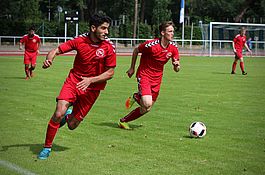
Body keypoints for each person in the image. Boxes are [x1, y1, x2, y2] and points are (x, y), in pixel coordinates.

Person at [38, 13, 116, 160]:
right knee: (58, 113)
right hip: (74, 81)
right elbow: (56, 50)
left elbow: (110, 73)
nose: (107, 32)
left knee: (72, 125)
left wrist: (91, 80)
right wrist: (49, 59)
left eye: (107, 29)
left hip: (92, 89)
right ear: (93, 28)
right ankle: (47, 148)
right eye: (103, 28)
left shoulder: (108, 46)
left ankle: (69, 114)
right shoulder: (79, 41)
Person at [118, 21, 180, 130]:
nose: (172, 34)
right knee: (146, 103)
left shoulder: (173, 48)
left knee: (146, 108)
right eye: (170, 31)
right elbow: (136, 50)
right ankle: (137, 96)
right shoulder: (151, 45)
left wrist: (176, 66)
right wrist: (132, 67)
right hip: (144, 75)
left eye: (173, 31)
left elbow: (177, 69)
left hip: (157, 79)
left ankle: (123, 121)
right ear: (162, 33)